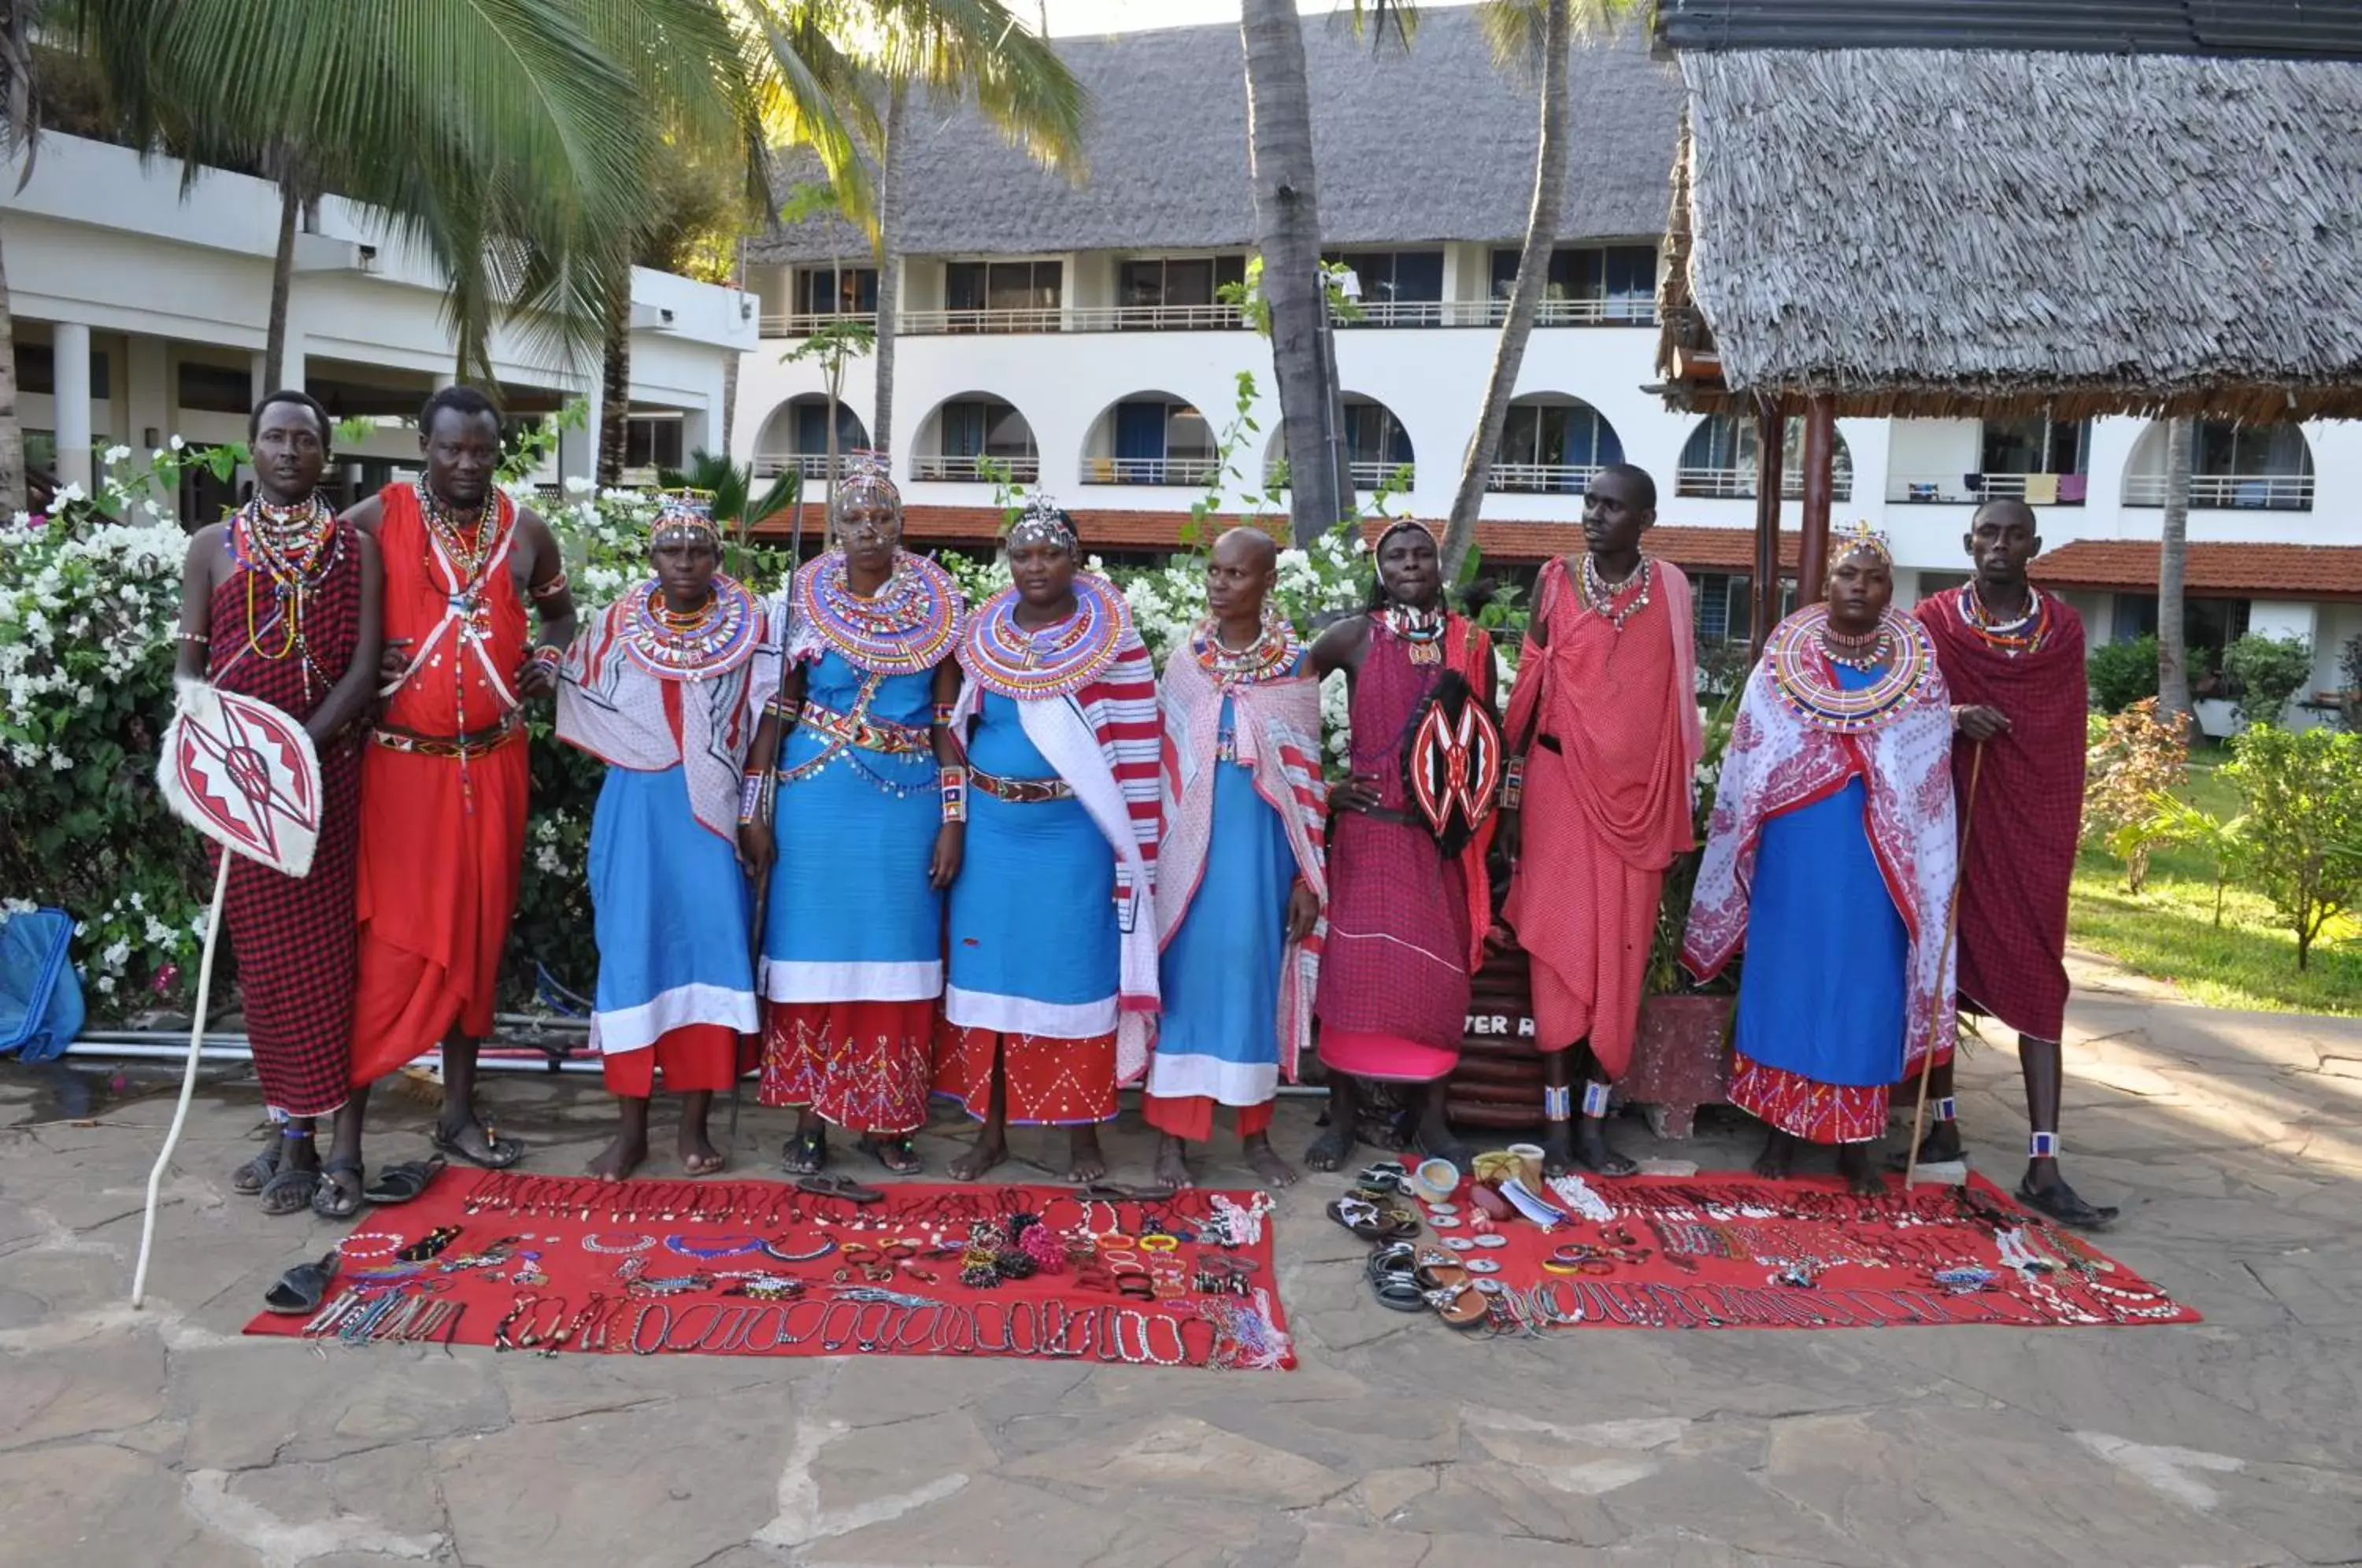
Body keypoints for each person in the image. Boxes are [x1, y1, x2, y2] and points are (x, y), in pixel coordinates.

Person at [1684, 523, 1956, 1195]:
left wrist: (1871, 758)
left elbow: (1924, 754)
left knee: (1867, 980)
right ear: (1825, 583)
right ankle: (1780, 1130)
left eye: (1872, 577)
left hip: (1879, 846)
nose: (1858, 586)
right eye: (1846, 575)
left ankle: (1856, 1144)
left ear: (1891, 590)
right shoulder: (1787, 651)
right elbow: (1756, 745)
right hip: (1795, 837)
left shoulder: (1916, 659)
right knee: (1791, 974)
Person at [344, 386, 576, 1168]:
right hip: (403, 771)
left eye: (482, 450)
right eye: (452, 449)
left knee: (477, 942)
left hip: (496, 763)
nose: (467, 463)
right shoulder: (376, 518)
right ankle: (342, 1140)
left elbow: (560, 613)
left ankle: (457, 1114)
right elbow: (323, 597)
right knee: (392, 949)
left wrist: (549, 656)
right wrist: (362, 654)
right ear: (424, 445)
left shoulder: (525, 529)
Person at [174, 391, 383, 1217]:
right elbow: (189, 671)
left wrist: (296, 753)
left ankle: (328, 1137)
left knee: (331, 964)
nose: (289, 451)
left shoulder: (353, 550)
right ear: (251, 450)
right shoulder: (209, 548)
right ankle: (288, 1130)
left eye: (305, 440)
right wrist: (225, 756)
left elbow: (364, 673)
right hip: (240, 792)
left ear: (325, 456)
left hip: (327, 783)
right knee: (266, 969)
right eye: (274, 438)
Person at [748, 455, 966, 1177]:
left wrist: (954, 820)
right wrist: (755, 809)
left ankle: (889, 1121)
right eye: (853, 518)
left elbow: (946, 721)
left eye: (882, 517)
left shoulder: (940, 602)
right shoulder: (801, 599)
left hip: (904, 808)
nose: (868, 529)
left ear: (903, 526)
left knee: (894, 970)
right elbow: (778, 708)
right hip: (813, 808)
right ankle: (811, 1122)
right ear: (835, 527)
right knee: (814, 968)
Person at [937, 497, 1160, 1185]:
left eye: (1051, 553)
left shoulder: (1113, 640)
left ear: (1078, 559)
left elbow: (1137, 746)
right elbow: (953, 733)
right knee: (988, 983)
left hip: (1074, 840)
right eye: (1024, 554)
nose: (1037, 566)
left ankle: (1082, 1139)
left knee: (1074, 983)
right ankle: (991, 1131)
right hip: (993, 837)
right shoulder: (980, 635)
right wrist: (956, 821)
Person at [556, 490, 777, 1180]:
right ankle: (629, 1133)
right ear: (651, 556)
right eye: (671, 549)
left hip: (713, 811)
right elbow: (576, 687)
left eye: (699, 550)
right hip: (637, 808)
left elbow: (769, 714)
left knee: (709, 957)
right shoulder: (618, 623)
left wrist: (755, 809)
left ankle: (694, 1127)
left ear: (718, 555)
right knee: (632, 954)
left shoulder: (754, 625)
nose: (685, 561)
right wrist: (536, 666)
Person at [1909, 499, 2116, 1227]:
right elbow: (1900, 707)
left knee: (2037, 973)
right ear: (1969, 542)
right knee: (1942, 960)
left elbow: (2062, 739)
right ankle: (1944, 1122)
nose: (2000, 544)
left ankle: (2044, 1162)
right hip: (1952, 816)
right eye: (1988, 533)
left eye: (2014, 534)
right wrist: (1954, 716)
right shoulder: (1933, 621)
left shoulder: (2060, 629)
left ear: (2036, 544)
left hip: (2032, 817)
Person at [1500, 464, 1701, 1178]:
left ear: (1645, 517)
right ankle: (1556, 1130)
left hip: (1640, 810)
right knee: (1558, 959)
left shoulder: (1673, 591)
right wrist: (1511, 807)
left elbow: (1679, 717)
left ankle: (1593, 1126)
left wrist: (1675, 816)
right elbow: (1524, 701)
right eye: (1589, 502)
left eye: (1612, 506)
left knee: (1618, 964)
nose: (1595, 515)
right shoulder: (1553, 583)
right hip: (1557, 794)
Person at [1305, 517, 1500, 1174]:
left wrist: (1470, 821)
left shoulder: (1472, 643)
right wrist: (1322, 788)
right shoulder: (1353, 637)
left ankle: (1432, 1121)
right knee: (1352, 976)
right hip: (1368, 837)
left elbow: (1483, 743)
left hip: (1438, 845)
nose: (1410, 563)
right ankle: (1342, 1117)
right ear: (1380, 569)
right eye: (1397, 555)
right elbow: (1279, 700)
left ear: (1440, 565)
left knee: (1435, 982)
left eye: (1422, 553)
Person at [1146, 527, 1326, 1189]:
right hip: (1188, 855)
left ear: (1267, 582)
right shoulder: (1185, 663)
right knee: (1186, 986)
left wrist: (1307, 878)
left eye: (1237, 575)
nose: (1221, 585)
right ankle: (1172, 1142)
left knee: (1253, 983)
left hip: (1261, 856)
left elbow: (1307, 783)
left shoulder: (1295, 667)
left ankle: (1254, 1138)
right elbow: (1162, 766)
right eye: (1215, 572)